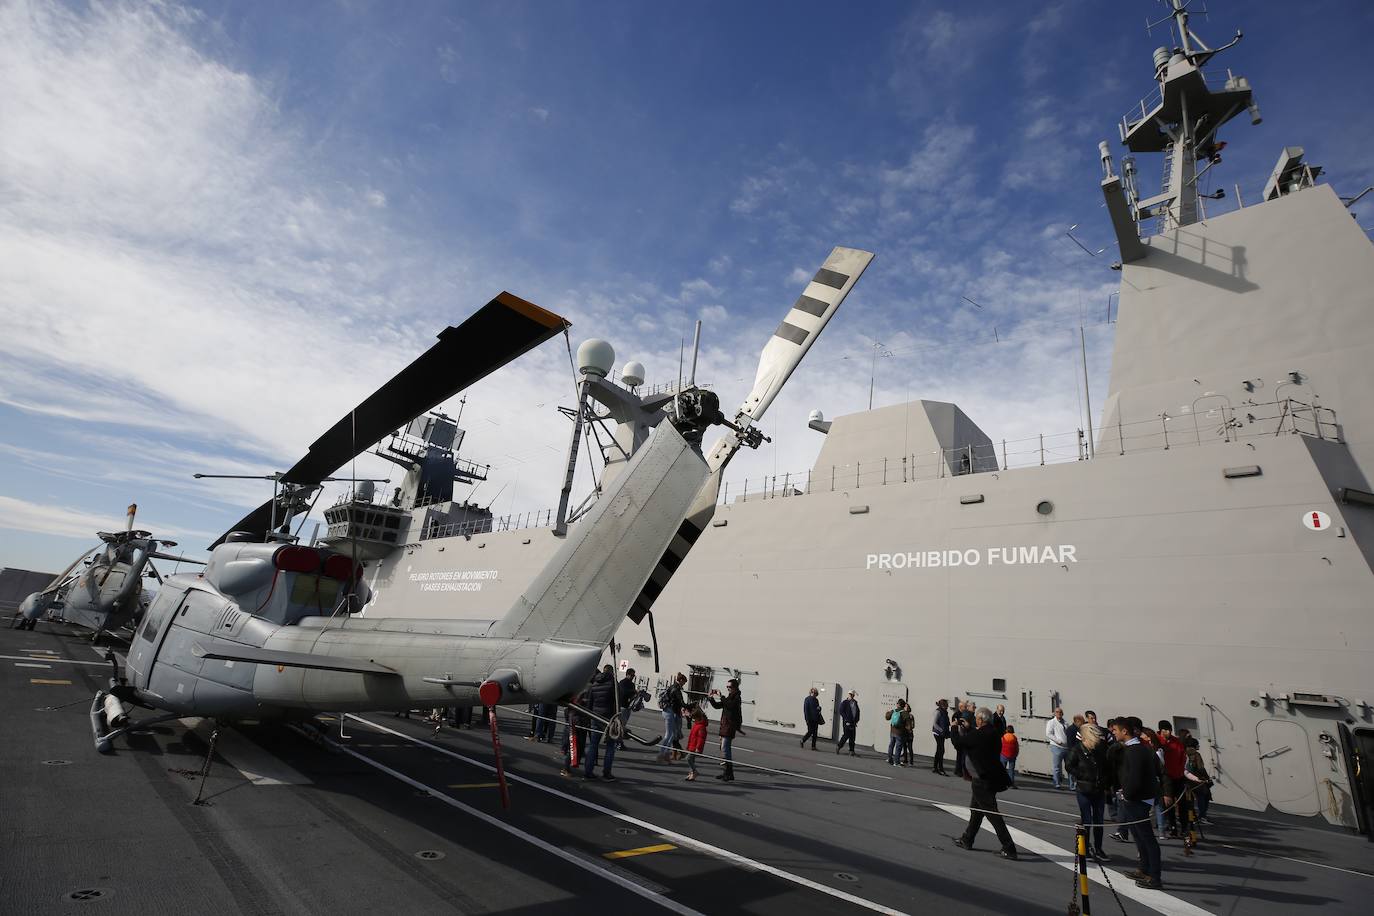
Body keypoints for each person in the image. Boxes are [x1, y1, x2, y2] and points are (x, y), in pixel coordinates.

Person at [950, 707, 1018, 859]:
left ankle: (1009, 847)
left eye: (977, 719)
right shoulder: (993, 733)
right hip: (991, 777)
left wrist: (954, 728)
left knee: (992, 814)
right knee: (976, 811)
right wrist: (970, 729)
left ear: (980, 720)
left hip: (982, 780)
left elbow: (958, 743)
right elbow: (977, 739)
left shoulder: (978, 734)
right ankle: (967, 839)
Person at [1113, 718, 1164, 889]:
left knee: (1147, 838)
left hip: (1137, 799)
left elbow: (1133, 778)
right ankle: (1144, 869)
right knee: (1138, 836)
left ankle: (1154, 877)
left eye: (1116, 730)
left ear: (1124, 732)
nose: (1114, 733)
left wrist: (1126, 794)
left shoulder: (1134, 751)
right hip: (1140, 797)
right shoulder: (1140, 749)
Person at [1066, 723, 1113, 862]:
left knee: (1099, 820)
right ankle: (1085, 849)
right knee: (1086, 820)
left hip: (1098, 789)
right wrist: (1080, 775)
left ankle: (1099, 849)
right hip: (1084, 789)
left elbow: (1106, 767)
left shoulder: (1099, 750)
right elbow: (1068, 765)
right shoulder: (1076, 749)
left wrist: (1106, 782)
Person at [580, 664, 619, 781]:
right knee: (610, 746)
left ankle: (588, 772)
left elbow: (590, 703)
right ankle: (606, 773)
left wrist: (589, 716)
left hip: (595, 716)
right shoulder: (613, 684)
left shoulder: (595, 683)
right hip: (609, 718)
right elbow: (617, 702)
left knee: (593, 745)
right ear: (612, 672)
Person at [1155, 720, 1188, 836]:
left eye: (1170, 730)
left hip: (1178, 777)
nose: (1169, 732)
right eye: (1166, 730)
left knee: (1182, 803)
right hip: (1165, 778)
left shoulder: (1176, 742)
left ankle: (1184, 827)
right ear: (1161, 730)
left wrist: (1181, 772)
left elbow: (1183, 758)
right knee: (1167, 804)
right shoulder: (1157, 741)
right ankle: (1172, 826)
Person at [706, 678, 743, 781]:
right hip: (725, 725)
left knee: (725, 749)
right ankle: (727, 773)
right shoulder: (729, 697)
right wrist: (711, 698)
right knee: (724, 749)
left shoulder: (737, 698)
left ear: (735, 688)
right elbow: (718, 706)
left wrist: (721, 696)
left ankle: (729, 773)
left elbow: (730, 706)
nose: (728, 689)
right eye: (727, 687)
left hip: (729, 726)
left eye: (730, 687)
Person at [1179, 731, 1213, 826]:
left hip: (1185, 779)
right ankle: (1202, 816)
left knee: (1188, 800)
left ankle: (1191, 817)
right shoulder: (1196, 754)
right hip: (1197, 779)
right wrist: (1206, 778)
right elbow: (1201, 768)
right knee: (1204, 796)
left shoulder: (1183, 752)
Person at [657, 673, 687, 763]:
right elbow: (681, 702)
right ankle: (663, 754)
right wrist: (689, 706)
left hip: (667, 711)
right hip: (670, 712)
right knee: (669, 734)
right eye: (684, 682)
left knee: (671, 734)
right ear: (681, 680)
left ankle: (664, 753)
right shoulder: (676, 689)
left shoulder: (672, 687)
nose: (684, 684)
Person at [1046, 707, 1070, 789]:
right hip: (1057, 746)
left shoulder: (1065, 723)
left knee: (1069, 766)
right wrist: (1057, 740)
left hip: (1066, 747)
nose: (1059, 713)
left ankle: (1072, 785)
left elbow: (1068, 733)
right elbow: (1048, 733)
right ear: (1054, 713)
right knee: (1057, 766)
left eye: (1060, 712)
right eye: (1057, 712)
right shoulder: (1051, 722)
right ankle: (1057, 783)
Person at [684, 707, 708, 782]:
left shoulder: (701, 727)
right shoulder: (696, 724)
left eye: (695, 718)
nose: (694, 720)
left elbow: (701, 738)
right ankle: (692, 773)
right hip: (692, 745)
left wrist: (698, 747)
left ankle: (694, 771)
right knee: (692, 760)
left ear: (698, 717)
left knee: (688, 758)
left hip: (695, 747)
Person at [837, 690, 861, 756]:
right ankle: (839, 746)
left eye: (853, 695)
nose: (852, 696)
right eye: (850, 694)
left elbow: (858, 711)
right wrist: (846, 719)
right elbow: (841, 711)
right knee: (846, 735)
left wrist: (857, 720)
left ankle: (851, 751)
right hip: (846, 722)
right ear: (849, 694)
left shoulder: (855, 702)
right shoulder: (845, 702)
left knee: (852, 737)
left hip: (853, 722)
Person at [931, 699, 950, 775]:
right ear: (943, 705)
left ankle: (935, 767)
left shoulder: (944, 712)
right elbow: (935, 724)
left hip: (942, 733)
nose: (948, 706)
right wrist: (941, 730)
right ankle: (940, 768)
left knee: (939, 750)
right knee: (941, 750)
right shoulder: (938, 712)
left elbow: (945, 722)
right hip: (937, 733)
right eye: (946, 704)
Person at [887, 700, 905, 766]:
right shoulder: (904, 713)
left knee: (891, 745)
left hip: (892, 731)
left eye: (897, 703)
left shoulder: (893, 711)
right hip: (899, 732)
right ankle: (896, 762)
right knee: (898, 747)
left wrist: (887, 712)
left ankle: (889, 758)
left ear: (898, 704)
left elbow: (887, 717)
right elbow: (908, 725)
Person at [900, 700, 916, 766]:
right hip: (905, 733)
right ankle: (905, 760)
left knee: (909, 747)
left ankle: (911, 761)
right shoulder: (903, 714)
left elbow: (913, 725)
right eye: (905, 706)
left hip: (909, 733)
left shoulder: (910, 716)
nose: (906, 707)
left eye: (907, 706)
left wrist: (907, 728)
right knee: (905, 747)